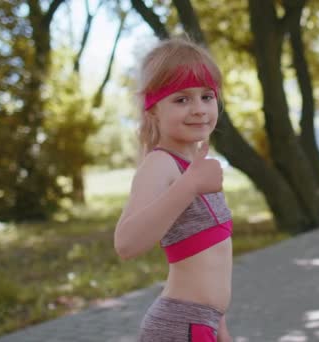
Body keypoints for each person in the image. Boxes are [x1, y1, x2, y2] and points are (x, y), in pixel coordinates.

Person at [114, 37, 233, 342]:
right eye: (182, 100)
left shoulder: (194, 163)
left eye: (207, 96)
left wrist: (221, 328)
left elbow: (211, 262)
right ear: (153, 110)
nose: (199, 109)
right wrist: (190, 184)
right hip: (179, 327)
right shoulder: (161, 164)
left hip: (204, 325)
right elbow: (126, 244)